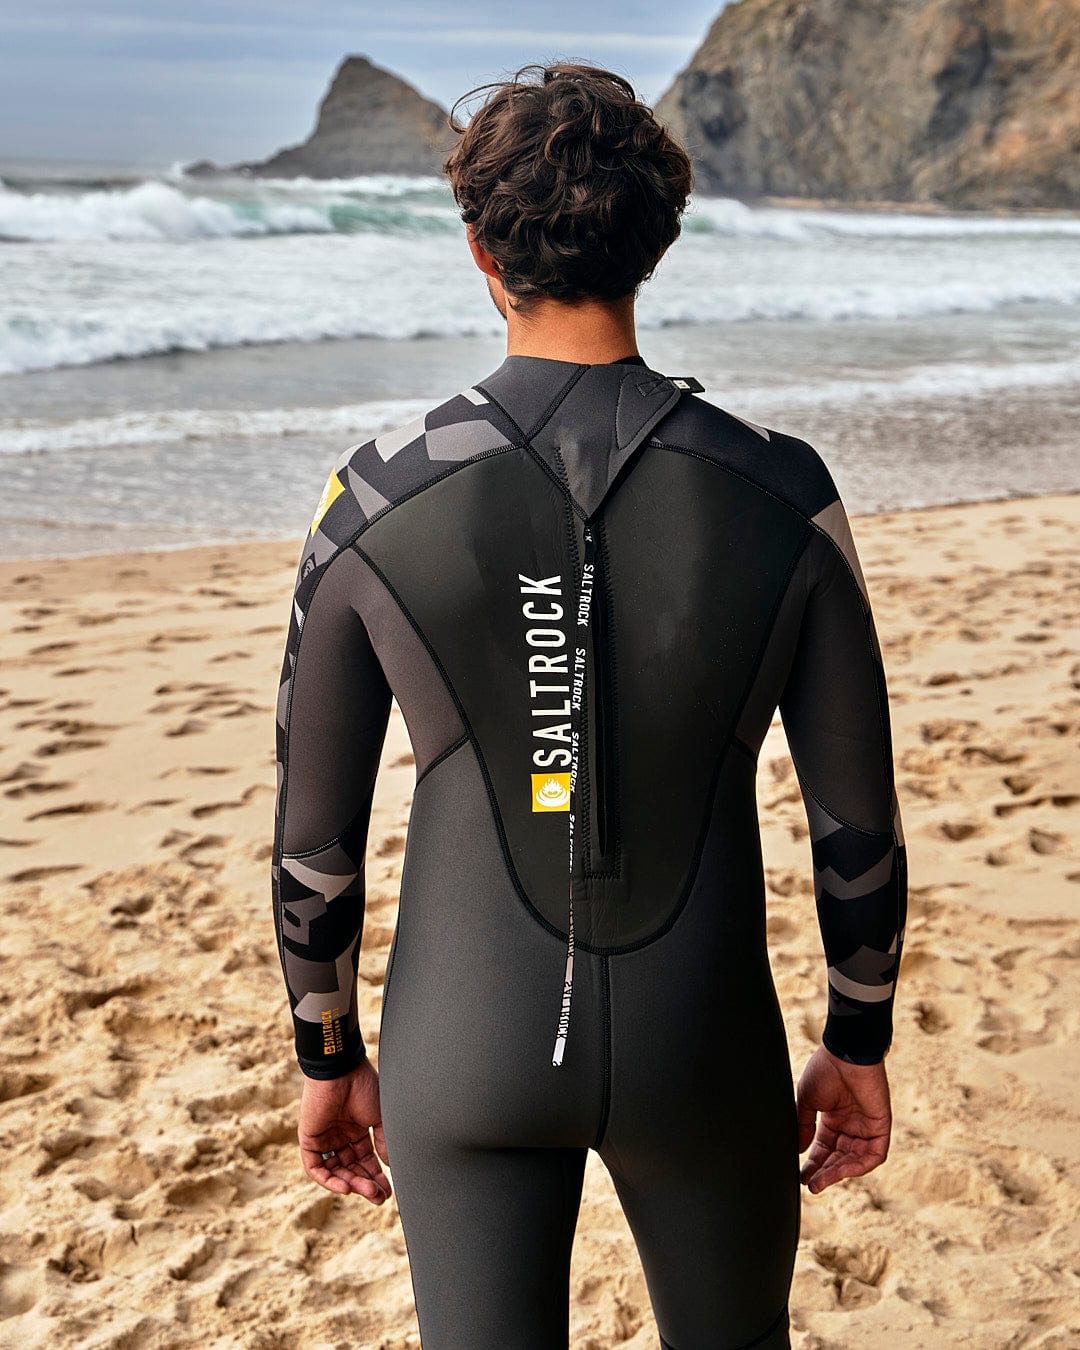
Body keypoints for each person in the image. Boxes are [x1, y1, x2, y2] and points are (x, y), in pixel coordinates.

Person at [270, 61, 907, 1350]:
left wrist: (329, 1058)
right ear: (656, 243)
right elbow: (860, 824)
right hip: (704, 1043)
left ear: (477, 251)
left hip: (467, 1044)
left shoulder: (373, 497)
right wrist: (857, 1038)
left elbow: (312, 838)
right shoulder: (786, 492)